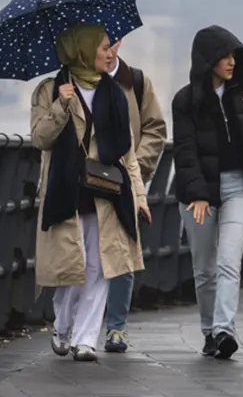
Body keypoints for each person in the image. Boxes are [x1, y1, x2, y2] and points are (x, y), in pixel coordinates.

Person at [31, 24, 149, 362]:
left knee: (100, 267)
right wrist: (61, 106)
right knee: (71, 268)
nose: (111, 53)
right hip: (65, 190)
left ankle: (85, 339)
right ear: (83, 50)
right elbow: (40, 138)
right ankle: (63, 326)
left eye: (111, 47)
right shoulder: (50, 90)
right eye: (104, 48)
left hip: (107, 190)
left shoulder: (115, 92)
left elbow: (127, 153)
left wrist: (139, 196)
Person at [171, 25, 243, 360]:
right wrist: (198, 194)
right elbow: (185, 152)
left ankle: (223, 329)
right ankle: (209, 331)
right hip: (199, 193)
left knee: (230, 260)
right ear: (207, 60)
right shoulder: (186, 101)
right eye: (224, 56)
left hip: (239, 188)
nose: (231, 62)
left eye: (234, 55)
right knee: (204, 268)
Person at [101, 38, 167, 353]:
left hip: (127, 181)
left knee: (124, 249)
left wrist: (135, 169)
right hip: (89, 179)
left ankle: (116, 327)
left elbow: (155, 128)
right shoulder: (78, 81)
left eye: (112, 42)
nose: (108, 48)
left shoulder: (136, 82)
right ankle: (83, 325)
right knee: (87, 251)